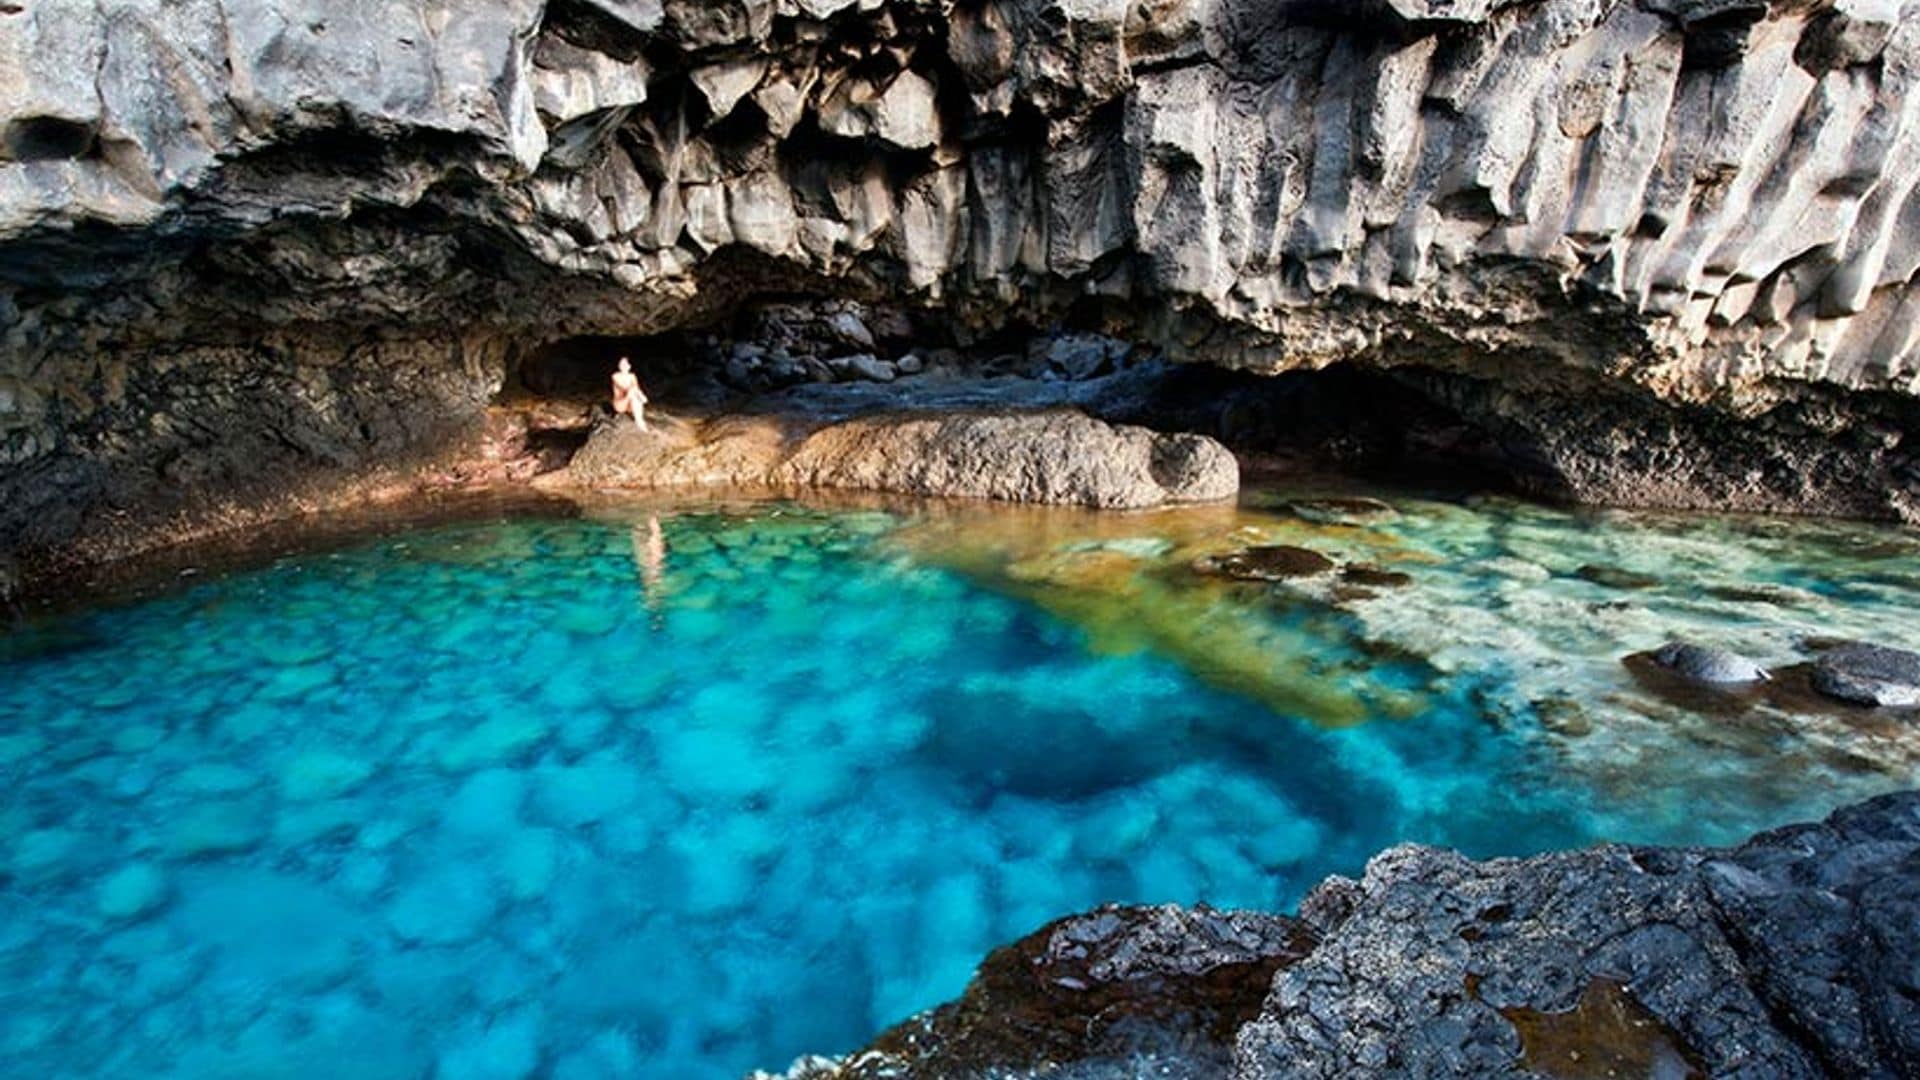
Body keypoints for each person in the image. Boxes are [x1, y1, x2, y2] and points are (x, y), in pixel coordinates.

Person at [611, 357, 648, 432]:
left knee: (635, 393)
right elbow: (622, 387)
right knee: (633, 391)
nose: (623, 365)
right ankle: (639, 421)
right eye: (621, 364)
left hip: (630, 405)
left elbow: (636, 388)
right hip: (620, 403)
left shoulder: (632, 376)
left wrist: (637, 392)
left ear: (629, 366)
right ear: (619, 366)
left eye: (625, 364)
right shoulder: (615, 376)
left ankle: (639, 420)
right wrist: (635, 391)